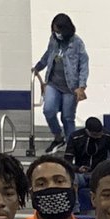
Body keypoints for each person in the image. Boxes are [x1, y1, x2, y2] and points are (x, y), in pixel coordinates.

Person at [32, 13, 89, 153]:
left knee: (67, 117)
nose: (55, 33)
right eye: (54, 30)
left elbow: (84, 64)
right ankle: (58, 137)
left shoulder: (77, 43)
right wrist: (38, 67)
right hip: (53, 83)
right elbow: (48, 55)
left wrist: (82, 86)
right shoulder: (53, 39)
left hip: (71, 87)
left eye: (58, 31)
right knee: (48, 110)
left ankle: (71, 146)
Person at [14, 154, 91, 219]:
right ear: (31, 193)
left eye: (59, 181)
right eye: (41, 184)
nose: (51, 187)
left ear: (74, 188)